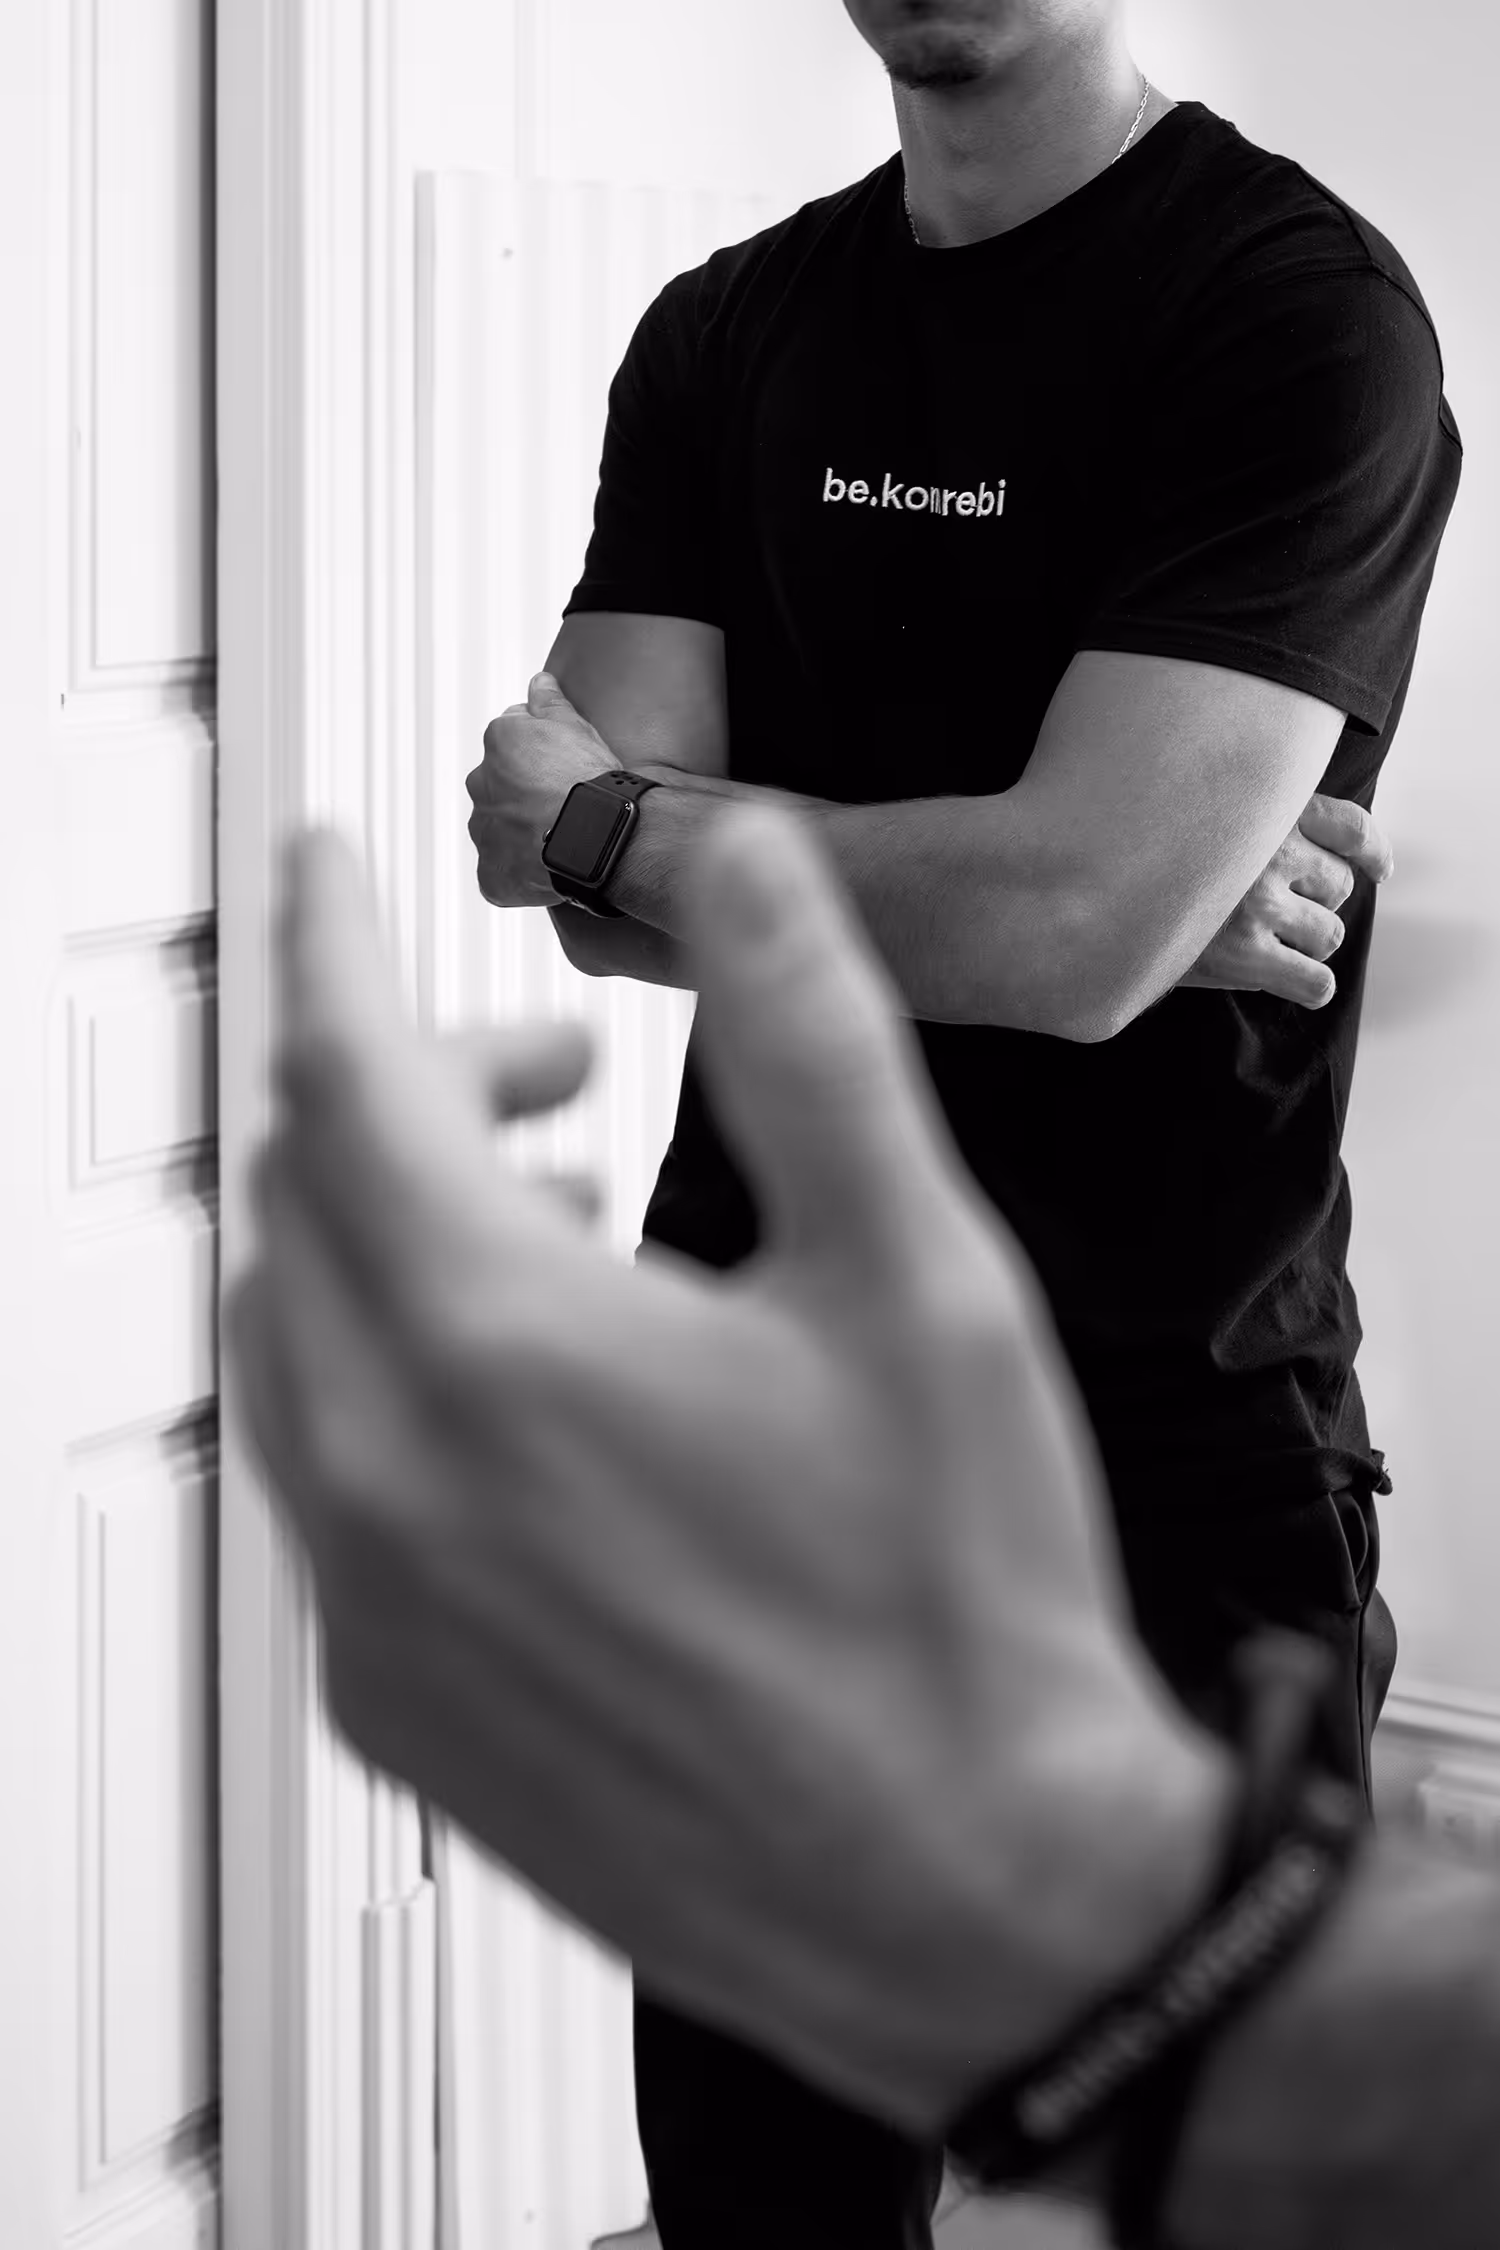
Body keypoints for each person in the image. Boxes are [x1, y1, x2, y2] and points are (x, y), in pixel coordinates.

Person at [463, 3, 1463, 2239]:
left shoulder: (1296, 316)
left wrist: (687, 831)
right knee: (763, 2190)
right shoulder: (725, 333)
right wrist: (1043, 882)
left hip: (1174, 1431)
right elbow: (576, 894)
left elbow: (1067, 924)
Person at [231, 808, 1499, 2250]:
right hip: (769, 1382)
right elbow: (553, 855)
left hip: (1215, 1408)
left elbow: (1085, 924)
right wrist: (1064, 887)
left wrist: (626, 816)